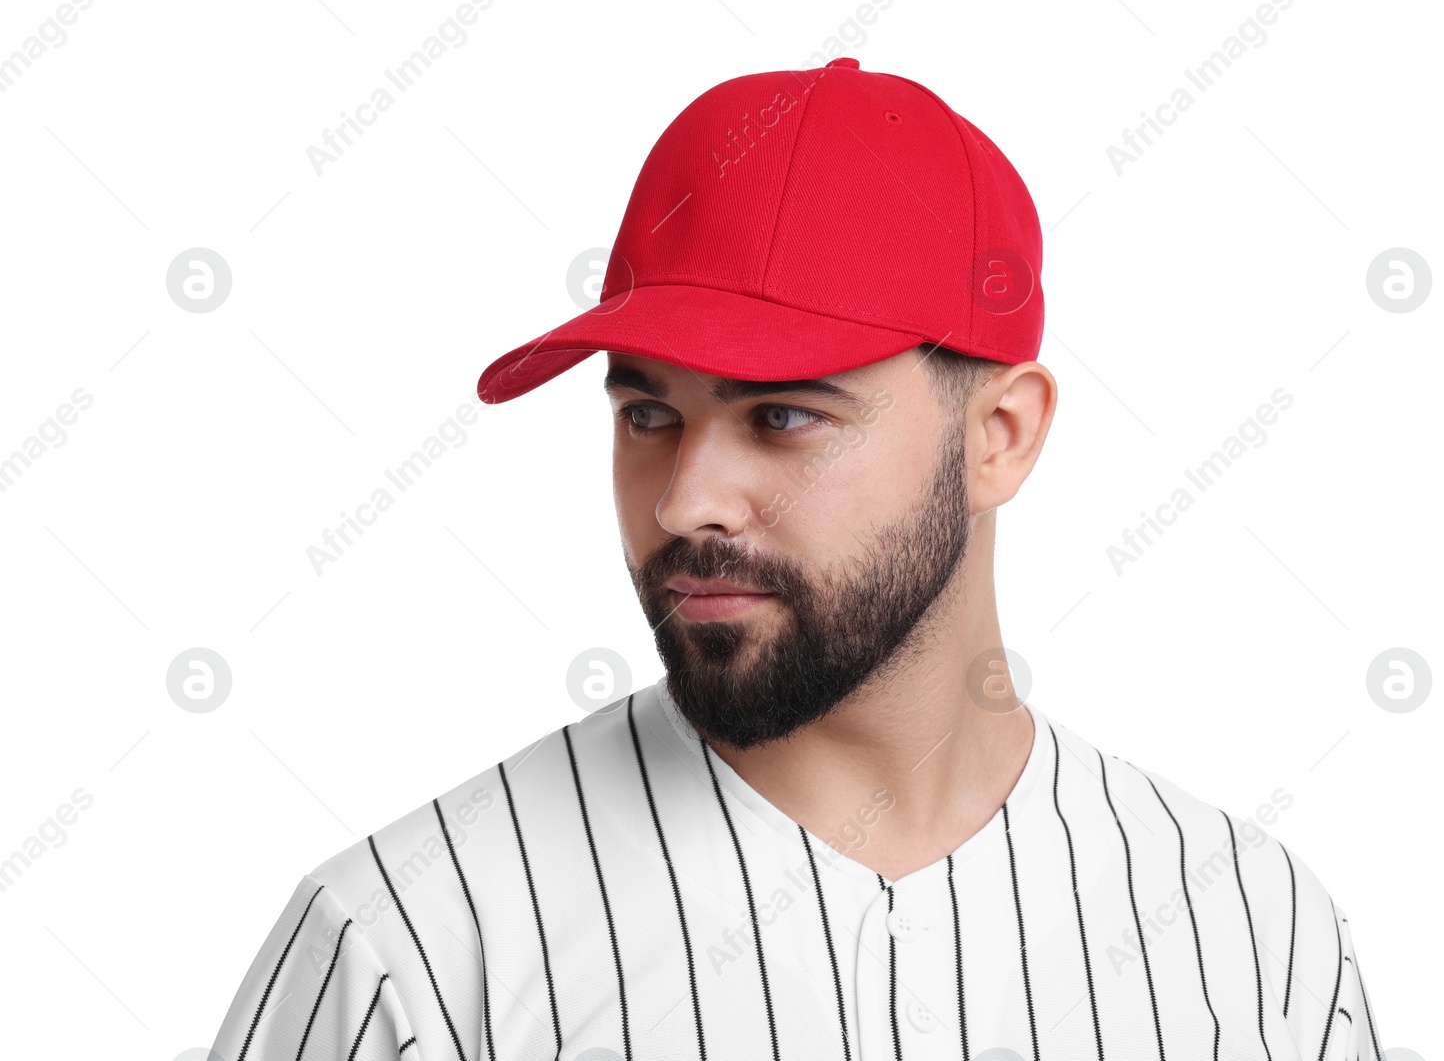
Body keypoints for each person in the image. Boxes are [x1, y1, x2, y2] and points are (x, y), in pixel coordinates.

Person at [210, 58, 1382, 1060]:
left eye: (780, 414)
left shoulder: (1250, 932)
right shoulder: (413, 944)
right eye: (646, 413)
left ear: (999, 436)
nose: (684, 498)